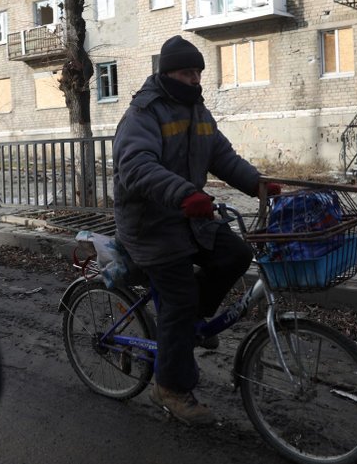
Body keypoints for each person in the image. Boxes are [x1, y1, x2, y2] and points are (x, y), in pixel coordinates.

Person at [112, 35, 262, 426]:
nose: (194, 79)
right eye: (186, 72)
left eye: (198, 72)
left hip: (188, 217)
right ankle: (172, 387)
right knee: (178, 300)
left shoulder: (197, 110)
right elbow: (137, 166)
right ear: (166, 74)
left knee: (237, 254)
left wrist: (259, 185)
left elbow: (222, 156)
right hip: (150, 226)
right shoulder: (143, 113)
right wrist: (184, 195)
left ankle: (191, 324)